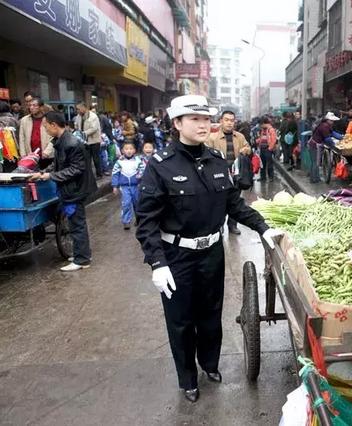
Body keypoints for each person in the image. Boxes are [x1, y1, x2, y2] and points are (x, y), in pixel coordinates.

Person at [135, 95, 282, 403]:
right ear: (177, 124)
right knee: (181, 321)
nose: (203, 125)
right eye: (194, 119)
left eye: (205, 119)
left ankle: (210, 364)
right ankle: (188, 378)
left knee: (211, 316)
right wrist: (157, 263)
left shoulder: (216, 161)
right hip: (176, 257)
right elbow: (146, 221)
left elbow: (234, 205)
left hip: (212, 253)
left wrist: (264, 228)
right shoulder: (160, 166)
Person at [30, 111, 97, 271]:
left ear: (54, 125)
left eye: (46, 127)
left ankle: (82, 260)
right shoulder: (61, 141)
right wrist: (43, 173)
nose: (45, 130)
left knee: (77, 224)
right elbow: (59, 164)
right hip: (70, 189)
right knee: (75, 223)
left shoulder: (71, 143)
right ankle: (82, 254)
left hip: (75, 190)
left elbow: (76, 169)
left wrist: (50, 175)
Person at [206, 110, 252, 235]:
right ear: (221, 121)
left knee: (235, 201)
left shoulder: (240, 137)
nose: (229, 123)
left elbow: (249, 148)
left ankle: (232, 225)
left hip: (236, 175)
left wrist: (246, 149)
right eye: (226, 120)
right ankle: (218, 227)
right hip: (220, 176)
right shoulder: (212, 138)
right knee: (219, 202)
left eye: (232, 120)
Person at [111, 140, 145, 230]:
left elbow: (143, 170)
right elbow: (115, 174)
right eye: (126, 149)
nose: (129, 151)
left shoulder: (138, 160)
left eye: (131, 149)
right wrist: (115, 186)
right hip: (125, 187)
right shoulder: (119, 162)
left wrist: (140, 177)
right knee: (126, 204)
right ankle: (126, 221)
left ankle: (139, 219)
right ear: (122, 151)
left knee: (137, 203)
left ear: (134, 150)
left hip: (136, 186)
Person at [308, 112, 340, 183]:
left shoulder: (327, 125)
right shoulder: (324, 126)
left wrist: (341, 137)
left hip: (315, 145)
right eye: (331, 121)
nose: (333, 122)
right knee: (315, 163)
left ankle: (316, 178)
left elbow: (332, 133)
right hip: (314, 146)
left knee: (316, 162)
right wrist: (334, 144)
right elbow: (327, 139)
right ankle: (314, 180)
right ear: (327, 120)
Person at [74, 102, 103, 178]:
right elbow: (76, 125)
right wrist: (77, 130)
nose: (77, 110)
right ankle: (89, 176)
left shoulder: (93, 116)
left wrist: (84, 133)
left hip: (94, 141)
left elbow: (94, 128)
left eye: (78, 109)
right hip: (84, 141)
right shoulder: (78, 116)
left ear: (84, 107)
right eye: (77, 109)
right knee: (87, 159)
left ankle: (99, 174)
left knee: (96, 158)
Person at [256, 116, 277, 182]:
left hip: (267, 149)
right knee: (262, 164)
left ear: (264, 123)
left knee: (269, 164)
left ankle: (271, 177)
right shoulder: (263, 130)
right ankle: (263, 177)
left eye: (260, 124)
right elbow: (263, 138)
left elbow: (274, 140)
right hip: (262, 148)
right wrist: (258, 141)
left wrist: (270, 148)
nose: (260, 126)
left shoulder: (271, 130)